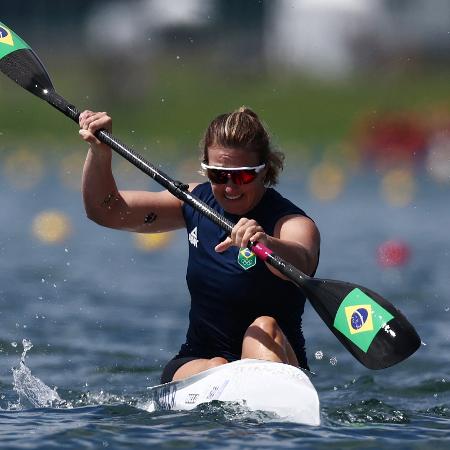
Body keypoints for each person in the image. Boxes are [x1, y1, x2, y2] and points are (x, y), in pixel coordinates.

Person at [79, 106, 320, 383]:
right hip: (199, 362)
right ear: (205, 168)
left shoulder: (292, 224)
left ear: (264, 170)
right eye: (218, 175)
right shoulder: (193, 202)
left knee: (262, 328)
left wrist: (265, 242)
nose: (230, 187)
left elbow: (301, 260)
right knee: (216, 364)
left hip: (275, 361)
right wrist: (99, 153)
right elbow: (105, 211)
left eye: (242, 176)